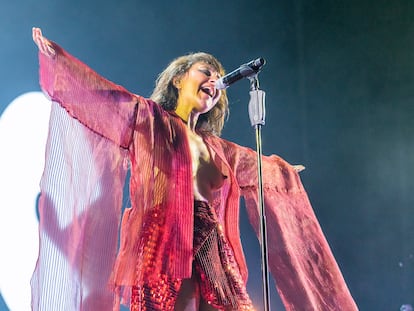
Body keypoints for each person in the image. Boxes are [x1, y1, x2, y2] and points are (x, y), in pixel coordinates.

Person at [31, 27, 358, 311]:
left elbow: (258, 166)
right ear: (178, 79)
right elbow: (103, 96)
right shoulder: (149, 119)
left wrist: (282, 170)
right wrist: (61, 62)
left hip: (211, 240)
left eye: (218, 79)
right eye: (205, 72)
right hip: (166, 240)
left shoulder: (218, 148)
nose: (214, 81)